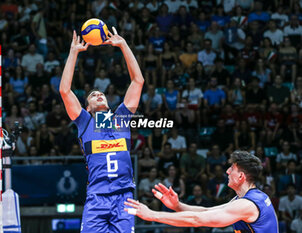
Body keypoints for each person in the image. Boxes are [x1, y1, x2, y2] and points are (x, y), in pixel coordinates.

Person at [60, 27, 144, 233]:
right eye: (93, 95)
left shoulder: (121, 119)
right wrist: (73, 52)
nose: (99, 95)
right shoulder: (85, 122)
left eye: (101, 94)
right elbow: (64, 90)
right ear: (87, 107)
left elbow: (138, 81)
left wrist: (123, 45)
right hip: (97, 197)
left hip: (124, 197)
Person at [125, 151, 279, 232]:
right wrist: (177, 205)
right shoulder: (247, 198)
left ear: (240, 176)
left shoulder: (247, 205)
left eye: (231, 169)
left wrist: (152, 215)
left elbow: (198, 220)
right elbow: (206, 211)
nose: (226, 171)